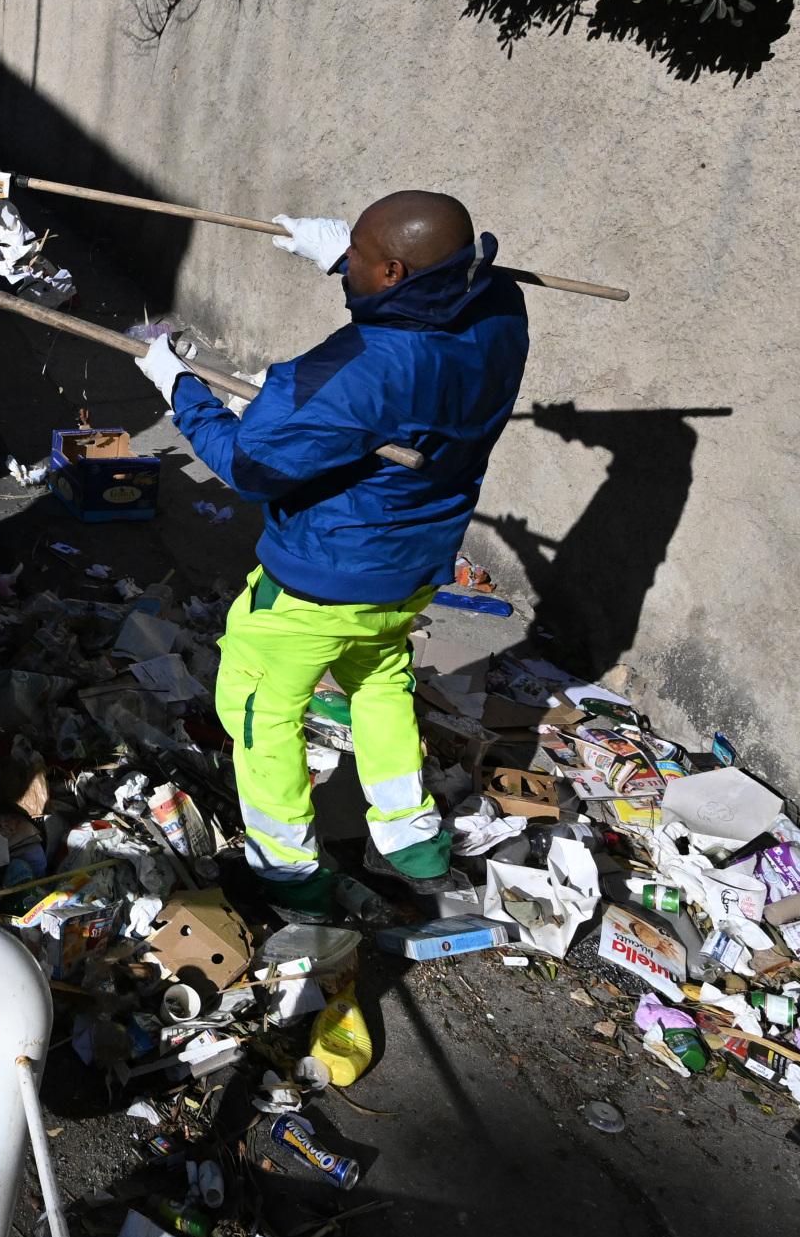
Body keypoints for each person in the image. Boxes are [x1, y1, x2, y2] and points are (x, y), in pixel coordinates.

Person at [135, 191, 530, 917]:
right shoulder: (503, 312)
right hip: (411, 566)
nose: (345, 259)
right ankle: (410, 835)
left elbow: (251, 465)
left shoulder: (352, 374)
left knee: (257, 708)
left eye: (356, 256)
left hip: (321, 582)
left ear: (392, 271)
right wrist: (341, 261)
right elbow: (452, 291)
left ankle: (286, 868)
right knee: (378, 677)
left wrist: (182, 390)